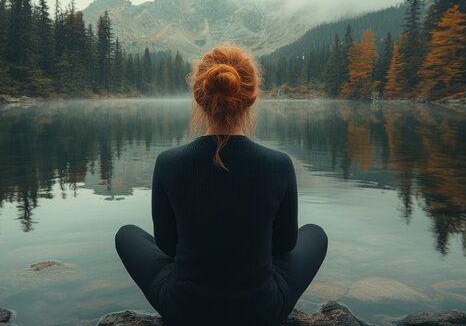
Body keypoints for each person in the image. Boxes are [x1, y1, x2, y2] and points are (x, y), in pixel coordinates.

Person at [115, 45, 328, 326]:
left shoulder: (168, 162)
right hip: (261, 311)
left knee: (127, 234)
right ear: (250, 100)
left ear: (199, 98)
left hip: (183, 309)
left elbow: (167, 247)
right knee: (315, 234)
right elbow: (286, 245)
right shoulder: (279, 164)